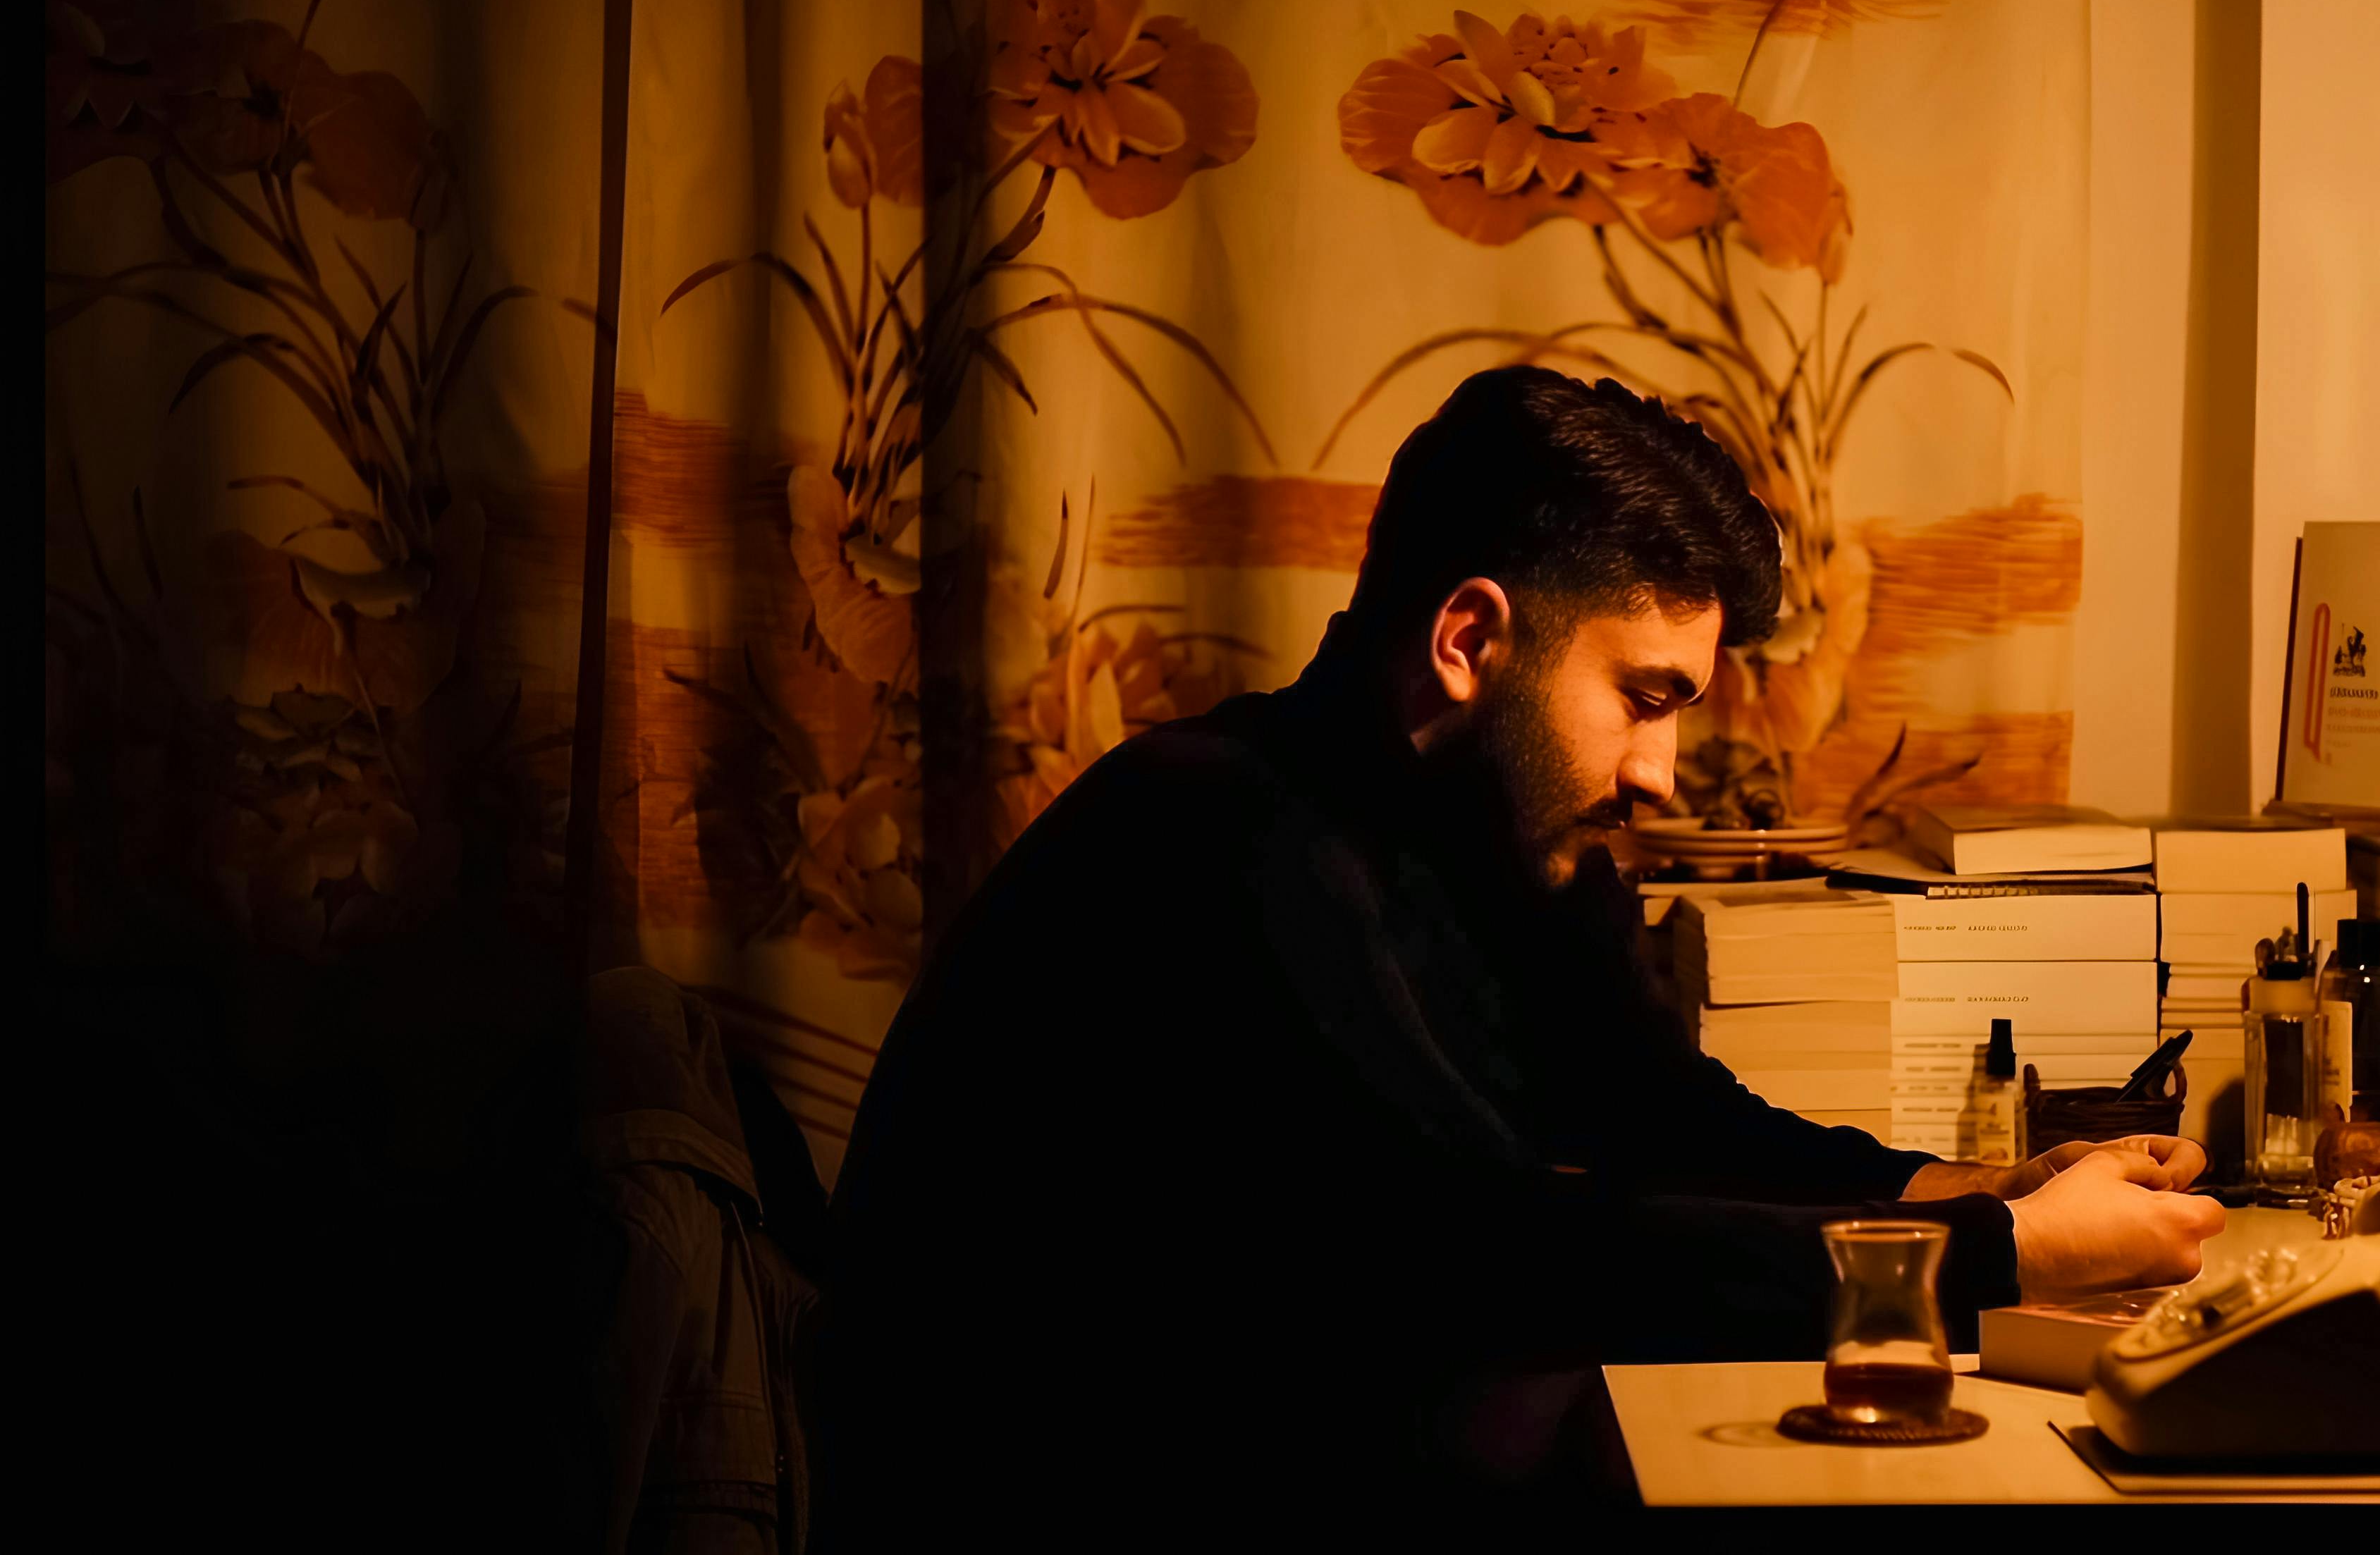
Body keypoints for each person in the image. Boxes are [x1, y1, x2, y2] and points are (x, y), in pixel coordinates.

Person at [819, 369, 2220, 1520]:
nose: (1663, 770)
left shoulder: (1489, 836)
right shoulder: (1224, 839)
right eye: (1642, 695)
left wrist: (1983, 1181)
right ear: (1469, 637)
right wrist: (1998, 1255)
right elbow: (1482, 1250)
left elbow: (1665, 1117)